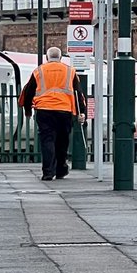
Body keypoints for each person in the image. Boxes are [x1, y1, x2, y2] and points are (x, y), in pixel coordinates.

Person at [20, 47, 88, 181]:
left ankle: (48, 172)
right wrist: (82, 112)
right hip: (64, 110)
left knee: (47, 141)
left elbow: (28, 91)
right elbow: (78, 93)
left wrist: (27, 109)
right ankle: (61, 169)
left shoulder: (39, 71)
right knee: (62, 141)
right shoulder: (70, 71)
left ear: (47, 57)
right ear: (61, 58)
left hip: (44, 110)